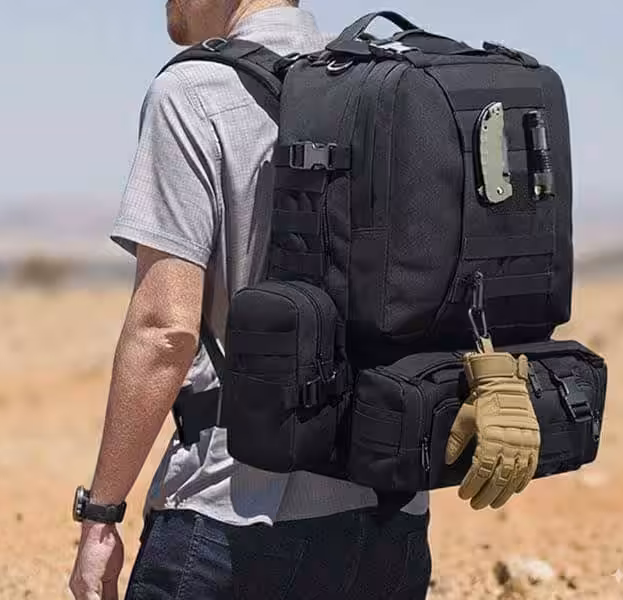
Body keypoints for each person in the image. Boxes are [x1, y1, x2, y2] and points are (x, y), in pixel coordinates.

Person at [69, 2, 432, 599]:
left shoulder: (193, 90)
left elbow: (165, 331)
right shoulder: (389, 82)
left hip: (233, 513)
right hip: (391, 518)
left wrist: (102, 516)